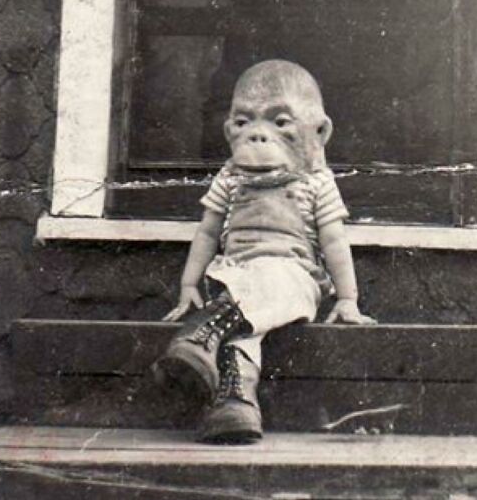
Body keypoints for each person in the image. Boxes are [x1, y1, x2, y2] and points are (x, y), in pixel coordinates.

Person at [153, 60, 375, 444]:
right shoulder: (230, 178)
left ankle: (204, 333)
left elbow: (334, 240)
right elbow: (207, 231)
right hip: (236, 270)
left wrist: (348, 297)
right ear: (228, 131)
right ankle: (236, 402)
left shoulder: (316, 182)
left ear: (319, 132)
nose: (258, 135)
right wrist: (189, 283)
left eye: (280, 122)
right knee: (247, 327)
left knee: (275, 282)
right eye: (244, 122)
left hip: (294, 274)